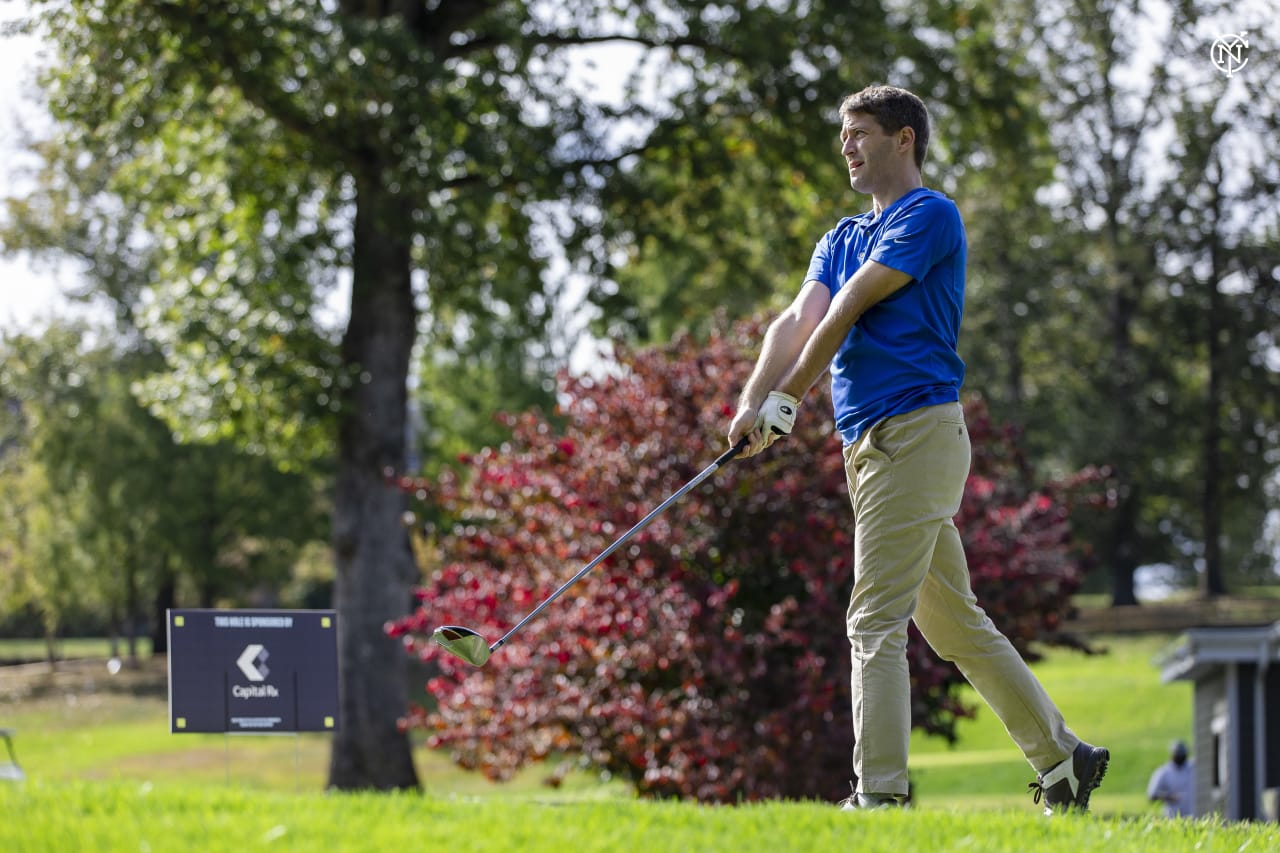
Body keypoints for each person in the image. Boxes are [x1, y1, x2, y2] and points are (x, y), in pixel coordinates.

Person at [726, 84, 1109, 814]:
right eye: (844, 133)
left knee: (872, 619)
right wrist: (751, 401)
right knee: (953, 622)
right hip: (869, 446)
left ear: (904, 139)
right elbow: (796, 317)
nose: (847, 145)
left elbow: (851, 304)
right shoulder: (839, 236)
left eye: (861, 131)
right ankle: (1064, 758)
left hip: (917, 432)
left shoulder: (929, 215)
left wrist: (791, 397)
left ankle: (881, 795)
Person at [1147, 740, 1194, 817]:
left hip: (1193, 815)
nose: (1181, 757)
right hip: (1172, 817)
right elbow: (1152, 795)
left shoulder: (1192, 768)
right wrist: (1170, 797)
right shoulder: (1164, 772)